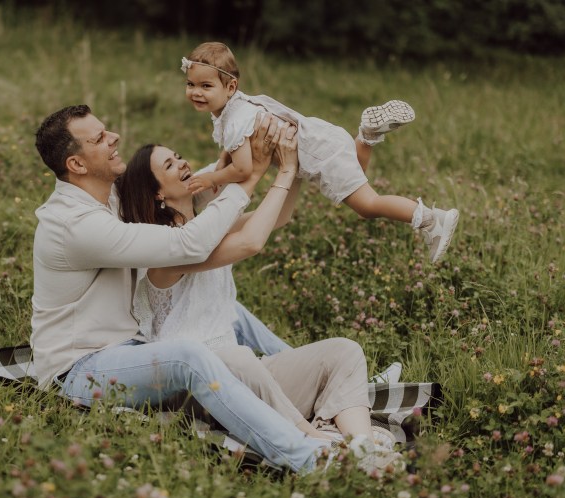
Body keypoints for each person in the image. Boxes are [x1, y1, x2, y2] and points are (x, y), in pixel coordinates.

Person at [31, 104, 334, 473]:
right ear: (77, 164)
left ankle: (318, 378)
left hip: (129, 347)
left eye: (106, 130)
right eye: (99, 138)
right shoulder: (74, 224)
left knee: (224, 309)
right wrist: (250, 180)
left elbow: (174, 185)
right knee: (188, 357)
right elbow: (191, 244)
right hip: (80, 369)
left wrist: (239, 154)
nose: (114, 138)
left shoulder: (105, 194)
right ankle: (306, 457)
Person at [116, 133, 403, 471]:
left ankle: (362, 445)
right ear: (158, 193)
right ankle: (313, 439)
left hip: (247, 377)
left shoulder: (206, 230)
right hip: (202, 391)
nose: (182, 162)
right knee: (236, 357)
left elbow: (277, 218)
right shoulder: (166, 250)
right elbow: (251, 243)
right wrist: (276, 172)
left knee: (344, 351)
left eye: (178, 155)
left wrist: (294, 164)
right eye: (169, 164)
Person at [181, 41, 459, 264]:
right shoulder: (236, 108)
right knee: (357, 178)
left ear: (230, 87)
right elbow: (233, 153)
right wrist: (220, 166)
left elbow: (242, 169)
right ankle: (366, 137)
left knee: (367, 206)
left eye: (206, 86)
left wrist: (210, 180)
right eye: (191, 84)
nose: (196, 92)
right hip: (322, 139)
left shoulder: (234, 120)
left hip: (317, 155)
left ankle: (433, 220)